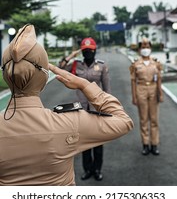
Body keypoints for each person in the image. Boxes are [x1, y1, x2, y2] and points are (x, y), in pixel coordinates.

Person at [0, 24, 134, 186]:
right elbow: (124, 121)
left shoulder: (101, 65)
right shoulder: (69, 122)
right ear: (43, 79)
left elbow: (107, 85)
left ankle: (96, 169)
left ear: (6, 76)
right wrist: (85, 85)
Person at [59, 37, 111, 181]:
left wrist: (107, 108)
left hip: (97, 108)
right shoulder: (76, 65)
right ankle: (87, 169)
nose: (88, 52)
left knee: (98, 141)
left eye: (91, 50)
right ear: (82, 51)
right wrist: (71, 56)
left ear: (95, 50)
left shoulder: (101, 66)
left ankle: (97, 169)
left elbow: (107, 89)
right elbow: (61, 68)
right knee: (84, 141)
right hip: (81, 109)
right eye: (86, 50)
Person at [129, 38, 164, 156]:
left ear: (150, 48)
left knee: (154, 119)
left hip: (153, 89)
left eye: (147, 47)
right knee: (143, 119)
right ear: (139, 50)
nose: (145, 49)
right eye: (143, 47)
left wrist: (160, 93)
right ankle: (145, 144)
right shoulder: (135, 64)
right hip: (141, 90)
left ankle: (154, 144)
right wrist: (134, 96)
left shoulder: (156, 63)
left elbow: (159, 79)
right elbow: (133, 81)